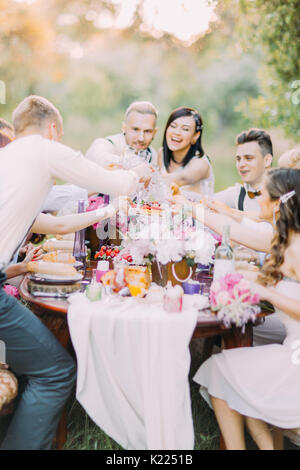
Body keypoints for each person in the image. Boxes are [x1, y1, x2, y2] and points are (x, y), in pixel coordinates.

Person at [0, 94, 149, 450]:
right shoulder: (44, 149)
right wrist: (137, 174)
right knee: (57, 371)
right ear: (53, 129)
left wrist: (105, 214)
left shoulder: (9, 162)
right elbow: (122, 183)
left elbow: (57, 223)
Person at [194, 168, 300, 450]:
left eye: (261, 195)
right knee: (226, 374)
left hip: (296, 357)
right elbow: (237, 232)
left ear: (278, 202)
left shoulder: (298, 246)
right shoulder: (284, 240)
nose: (257, 201)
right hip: (290, 347)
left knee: (223, 372)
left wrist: (263, 290)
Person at [157, 107, 214, 198]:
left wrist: (149, 177)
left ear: (195, 136)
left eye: (185, 129)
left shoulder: (200, 162)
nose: (177, 132)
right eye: (173, 126)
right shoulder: (161, 154)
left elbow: (182, 179)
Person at [214, 128, 273, 212]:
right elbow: (204, 201)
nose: (241, 164)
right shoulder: (237, 194)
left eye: (248, 158)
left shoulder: (285, 193)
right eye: (238, 159)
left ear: (267, 160)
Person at [86, 101, 158, 167]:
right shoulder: (105, 144)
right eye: (135, 129)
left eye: (147, 131)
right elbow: (99, 157)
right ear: (124, 128)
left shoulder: (153, 155)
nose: (141, 138)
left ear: (154, 133)